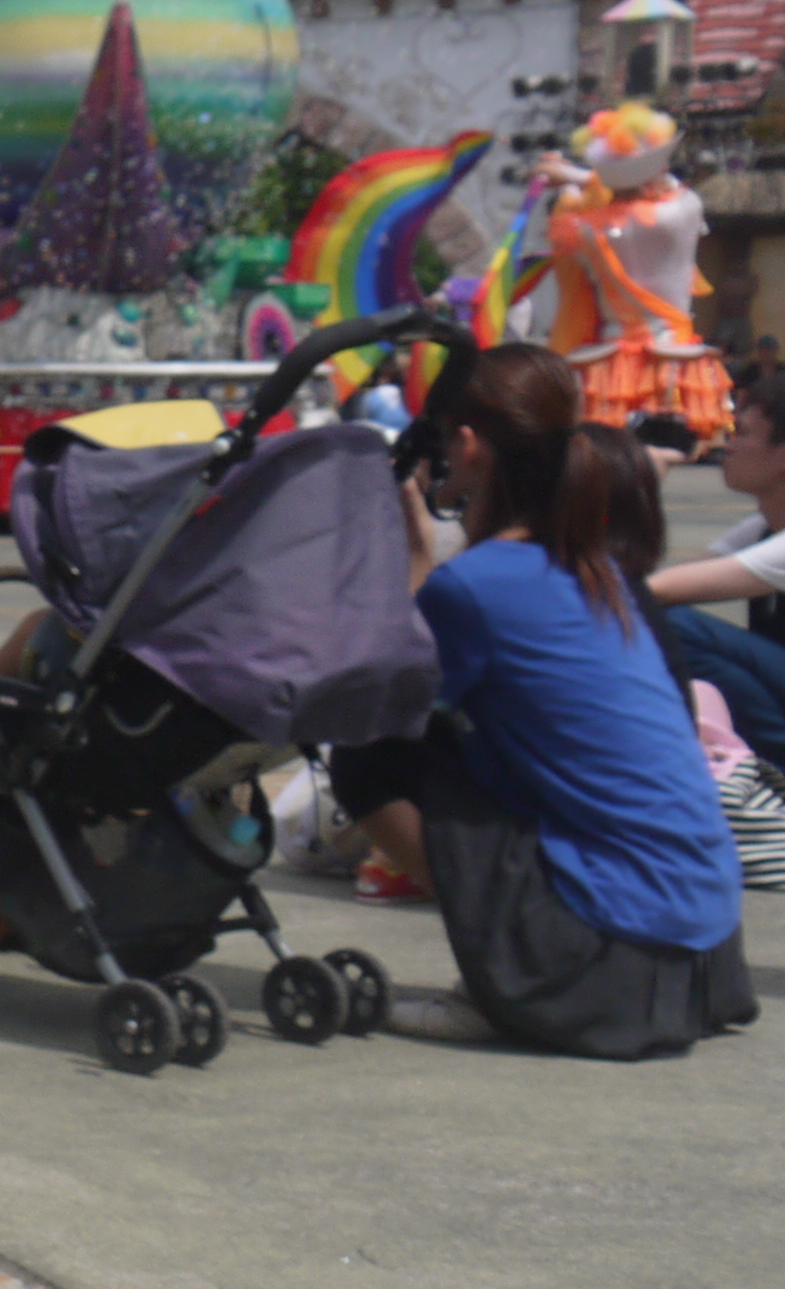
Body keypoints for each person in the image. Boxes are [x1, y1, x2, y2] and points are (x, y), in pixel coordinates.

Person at [332, 342, 751, 1054]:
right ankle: (520, 955)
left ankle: (499, 983)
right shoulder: (602, 571)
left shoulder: (476, 585)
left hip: (596, 970)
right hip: (705, 960)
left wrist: (413, 552)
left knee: (366, 757)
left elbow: (380, 695)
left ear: (469, 446)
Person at [632, 366, 785, 762]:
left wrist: (635, 486)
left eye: (741, 434)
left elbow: (650, 592)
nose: (726, 445)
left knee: (675, 627)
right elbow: (649, 580)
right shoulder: (762, 527)